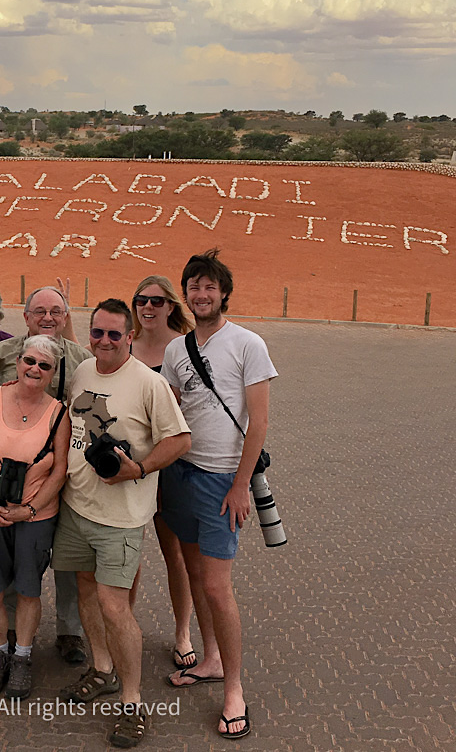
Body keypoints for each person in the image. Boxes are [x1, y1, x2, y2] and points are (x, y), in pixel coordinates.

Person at [55, 299, 190, 748]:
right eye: (98, 333)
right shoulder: (82, 373)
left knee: (116, 607)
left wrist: (143, 468)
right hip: (78, 509)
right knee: (87, 594)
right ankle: (102, 669)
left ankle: (133, 703)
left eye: (115, 334)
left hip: (122, 520)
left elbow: (180, 438)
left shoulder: (149, 383)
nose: (105, 341)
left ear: (130, 336)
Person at [161, 249, 278, 741]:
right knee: (192, 571)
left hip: (220, 480)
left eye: (210, 286)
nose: (201, 294)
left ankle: (234, 689)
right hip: (179, 474)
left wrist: (238, 486)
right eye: (194, 286)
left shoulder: (247, 343)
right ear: (184, 294)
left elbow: (260, 423)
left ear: (223, 293)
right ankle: (209, 658)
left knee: (216, 586)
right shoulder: (175, 350)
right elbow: (169, 409)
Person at [0, 285, 92, 665]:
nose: (48, 317)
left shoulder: (82, 361)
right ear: (25, 316)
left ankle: (70, 630)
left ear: (66, 317)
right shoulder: (2, 353)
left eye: (57, 311)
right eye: (40, 311)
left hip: (63, 475)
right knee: (14, 552)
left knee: (66, 557)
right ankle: (12, 625)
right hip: (10, 478)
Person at [0, 335, 70, 700]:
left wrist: (29, 509)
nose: (34, 369)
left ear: (53, 373)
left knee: (27, 589)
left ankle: (22, 657)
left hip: (35, 518)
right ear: (17, 361)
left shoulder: (59, 413)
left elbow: (59, 471)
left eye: (44, 365)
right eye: (29, 361)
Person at [129, 276, 200, 672]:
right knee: (129, 553)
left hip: (172, 466)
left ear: (172, 305)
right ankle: (126, 625)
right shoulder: (127, 346)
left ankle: (183, 632)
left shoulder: (184, 349)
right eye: (141, 300)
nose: (148, 307)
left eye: (157, 300)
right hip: (133, 468)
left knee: (176, 553)